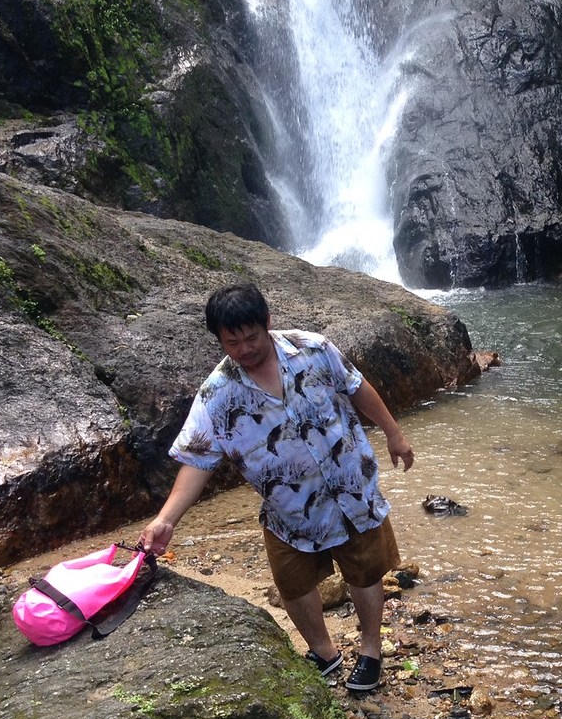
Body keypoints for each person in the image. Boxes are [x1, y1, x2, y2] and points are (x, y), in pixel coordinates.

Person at [137, 282, 414, 693]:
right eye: (233, 342)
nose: (245, 349)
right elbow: (197, 460)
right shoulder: (217, 395)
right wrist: (166, 520)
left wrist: (393, 433)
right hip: (289, 510)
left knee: (365, 571)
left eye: (252, 337)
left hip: (351, 488)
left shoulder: (314, 348)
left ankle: (371, 651)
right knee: (293, 583)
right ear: (219, 339)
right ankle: (324, 652)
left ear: (268, 323)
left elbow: (356, 386)